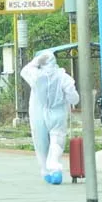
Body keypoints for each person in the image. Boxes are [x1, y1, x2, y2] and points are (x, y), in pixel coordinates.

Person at [20, 50, 80, 185]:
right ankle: (55, 168)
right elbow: (74, 99)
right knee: (57, 141)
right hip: (58, 114)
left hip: (38, 114)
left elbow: (24, 71)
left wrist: (35, 62)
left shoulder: (37, 76)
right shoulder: (63, 77)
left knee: (41, 143)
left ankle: (46, 171)